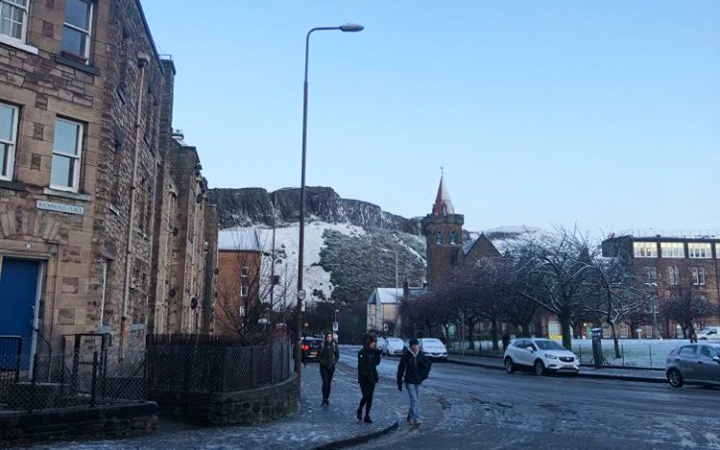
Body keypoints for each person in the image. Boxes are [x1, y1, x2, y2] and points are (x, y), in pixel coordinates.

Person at [397, 338, 431, 428]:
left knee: (417, 400)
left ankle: (410, 416)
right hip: (409, 381)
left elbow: (427, 366)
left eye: (416, 345)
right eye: (413, 345)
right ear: (411, 346)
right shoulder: (406, 356)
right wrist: (399, 382)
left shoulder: (421, 355)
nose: (415, 347)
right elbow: (401, 369)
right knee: (414, 400)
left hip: (418, 381)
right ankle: (417, 418)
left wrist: (423, 376)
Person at [357, 333, 381, 423]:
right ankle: (359, 409)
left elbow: (377, 363)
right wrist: (367, 376)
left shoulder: (373, 352)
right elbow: (361, 367)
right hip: (364, 379)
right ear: (368, 343)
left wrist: (377, 354)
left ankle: (367, 415)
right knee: (366, 395)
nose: (374, 344)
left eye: (374, 342)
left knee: (370, 397)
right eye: (372, 342)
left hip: (373, 377)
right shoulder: (362, 353)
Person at [319, 331, 339, 406]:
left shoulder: (334, 345)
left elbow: (337, 355)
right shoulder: (322, 345)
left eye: (330, 337)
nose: (329, 338)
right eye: (328, 337)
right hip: (323, 366)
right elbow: (318, 354)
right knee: (325, 381)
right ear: (326, 337)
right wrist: (321, 361)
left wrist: (334, 362)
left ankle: (327, 398)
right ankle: (324, 398)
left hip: (331, 367)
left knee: (329, 382)